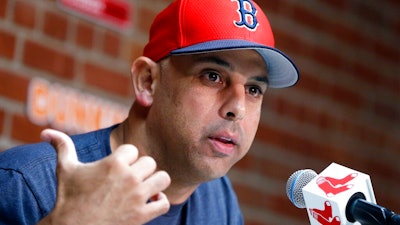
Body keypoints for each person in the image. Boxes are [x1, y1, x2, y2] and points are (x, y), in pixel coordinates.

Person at [0, 0, 299, 224]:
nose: (238, 108)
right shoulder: (27, 183)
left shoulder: (218, 202)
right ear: (147, 81)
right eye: (212, 76)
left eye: (254, 89)